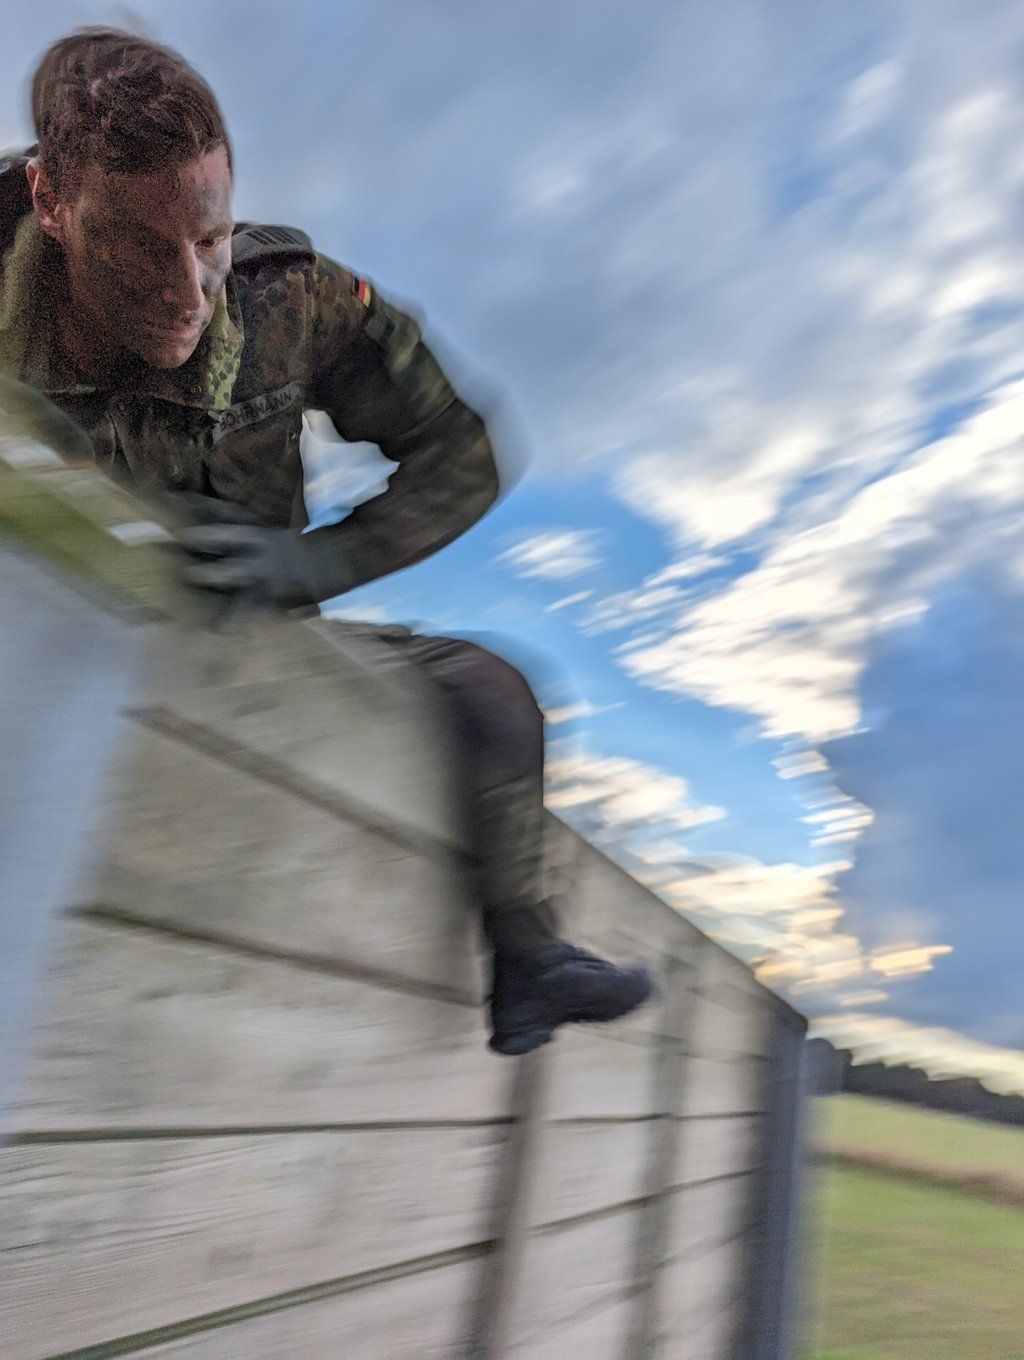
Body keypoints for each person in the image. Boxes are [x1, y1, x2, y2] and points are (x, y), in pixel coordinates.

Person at [0, 27, 652, 1055]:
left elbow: (462, 454)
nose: (189, 292)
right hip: (50, 634)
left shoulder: (288, 301)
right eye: (138, 247)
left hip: (253, 639)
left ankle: (527, 960)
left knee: (495, 691)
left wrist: (315, 563)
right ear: (50, 202)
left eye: (208, 238)